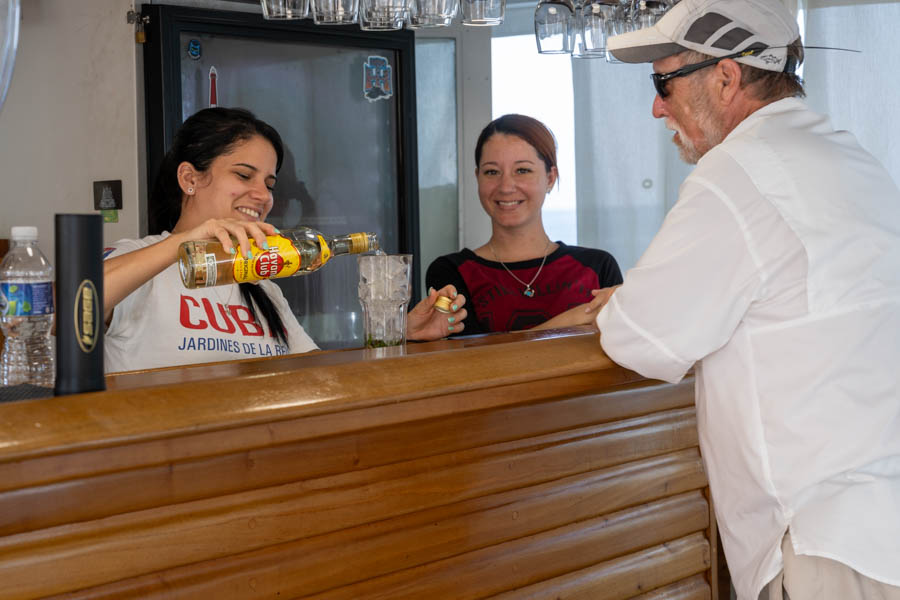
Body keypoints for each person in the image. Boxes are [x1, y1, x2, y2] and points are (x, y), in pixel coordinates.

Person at [594, 1, 900, 599]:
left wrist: (613, 304)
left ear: (726, 77)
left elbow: (639, 337)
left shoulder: (737, 172)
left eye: (663, 81)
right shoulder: (851, 157)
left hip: (821, 546)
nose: (656, 105)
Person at [103, 107, 466, 373]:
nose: (262, 196)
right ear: (190, 178)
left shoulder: (260, 284)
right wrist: (183, 245)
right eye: (245, 175)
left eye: (269, 184)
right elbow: (60, 310)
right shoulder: (137, 261)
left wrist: (397, 334)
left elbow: (315, 372)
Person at [426, 114, 622, 335]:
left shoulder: (598, 267)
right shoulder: (449, 273)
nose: (506, 186)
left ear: (550, 178)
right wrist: (578, 318)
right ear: (477, 177)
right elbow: (469, 362)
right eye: (492, 172)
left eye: (522, 170)